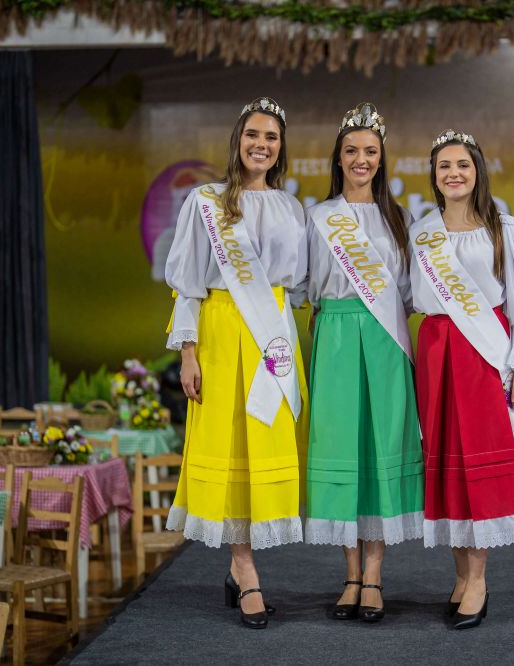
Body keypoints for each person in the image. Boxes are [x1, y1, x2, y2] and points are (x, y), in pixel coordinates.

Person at [163, 97, 309, 629]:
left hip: (272, 332)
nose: (261, 145)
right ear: (237, 140)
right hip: (222, 332)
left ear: (280, 147)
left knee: (263, 442)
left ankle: (241, 564)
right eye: (253, 135)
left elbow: (297, 286)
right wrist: (188, 351)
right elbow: (187, 283)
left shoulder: (293, 208)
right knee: (226, 445)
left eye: (271, 137)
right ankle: (244, 568)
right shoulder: (207, 202)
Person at [410, 129, 514, 629]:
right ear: (433, 174)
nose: (453, 173)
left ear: (477, 173)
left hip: (483, 354)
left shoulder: (503, 227)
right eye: (444, 165)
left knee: (478, 463)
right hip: (436, 353)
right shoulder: (421, 230)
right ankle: (459, 575)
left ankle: (478, 580)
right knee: (448, 464)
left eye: (462, 165)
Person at [304, 102, 424, 623]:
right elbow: (304, 286)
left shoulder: (400, 218)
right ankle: (349, 574)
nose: (361, 159)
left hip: (384, 339)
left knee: (380, 449)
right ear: (339, 157)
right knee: (343, 448)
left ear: (382, 158)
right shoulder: (317, 216)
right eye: (351, 150)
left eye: (370, 151)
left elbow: (411, 292)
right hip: (332, 334)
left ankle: (374, 576)